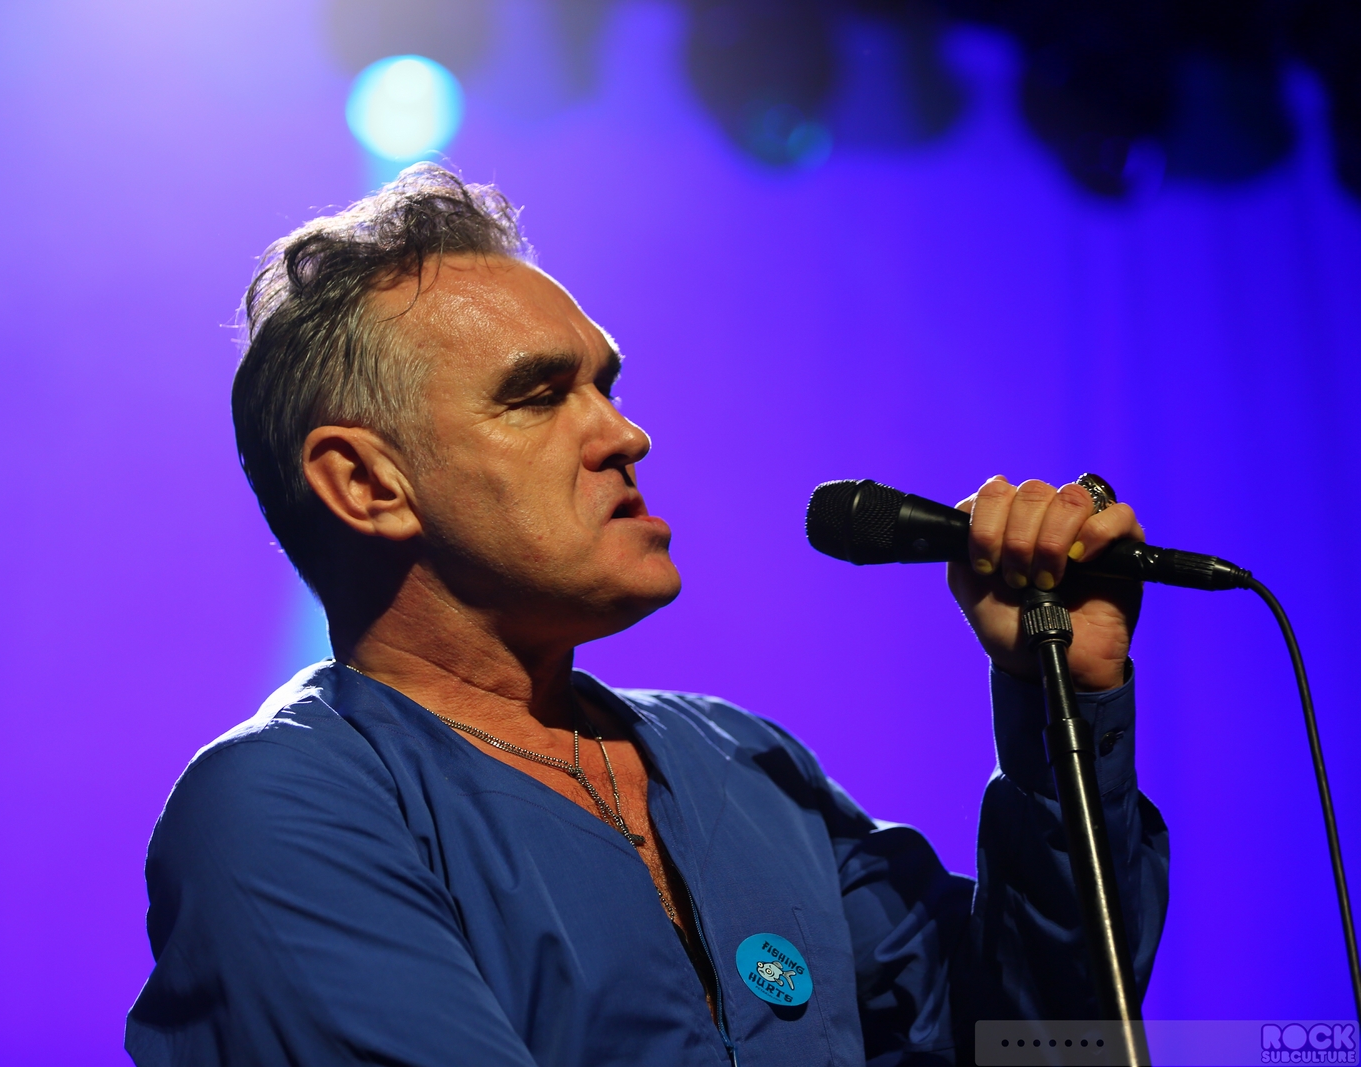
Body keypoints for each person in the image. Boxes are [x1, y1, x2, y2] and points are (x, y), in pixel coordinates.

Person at [125, 165, 1168, 1067]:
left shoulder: (742, 762)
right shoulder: (280, 807)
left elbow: (1036, 1039)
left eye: (608, 387)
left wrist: (1060, 697)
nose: (627, 436)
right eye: (539, 396)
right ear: (366, 484)